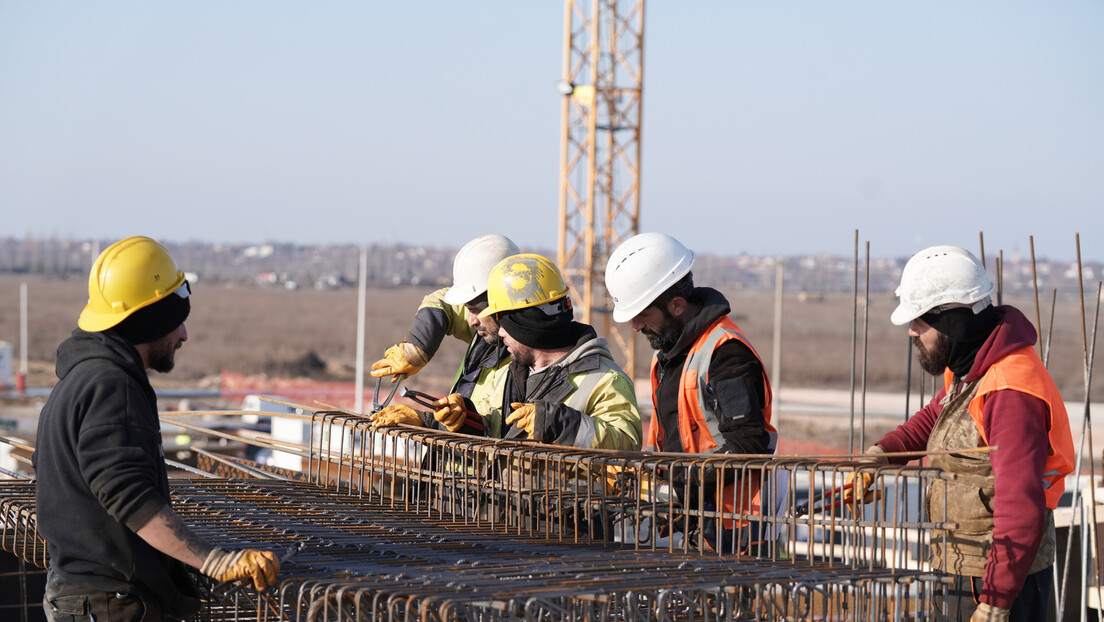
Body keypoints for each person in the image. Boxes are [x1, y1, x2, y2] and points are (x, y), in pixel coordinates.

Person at [33, 236, 280, 622]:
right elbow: (128, 495)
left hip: (81, 595)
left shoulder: (78, 380)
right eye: (175, 321)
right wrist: (213, 561)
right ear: (150, 321)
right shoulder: (113, 386)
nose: (183, 335)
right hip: (111, 604)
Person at [850, 245, 1075, 622]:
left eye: (920, 320)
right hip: (965, 563)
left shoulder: (1009, 390)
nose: (911, 331)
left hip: (995, 578)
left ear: (952, 320)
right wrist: (884, 453)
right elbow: (936, 418)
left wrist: (995, 601)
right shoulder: (974, 365)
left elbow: (1020, 503)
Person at [604, 232, 777, 554]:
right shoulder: (669, 356)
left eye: (642, 315)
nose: (636, 327)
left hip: (734, 523)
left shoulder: (725, 353)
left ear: (677, 305)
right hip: (699, 516)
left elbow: (746, 444)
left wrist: (680, 485)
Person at [478, 253, 642, 450]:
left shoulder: (605, 381)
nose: (501, 332)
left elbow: (626, 448)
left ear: (528, 324)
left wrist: (561, 425)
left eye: (505, 324)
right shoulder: (506, 374)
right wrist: (468, 424)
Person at [369, 234, 519, 432]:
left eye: (476, 309)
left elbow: (494, 441)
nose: (471, 320)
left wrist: (428, 422)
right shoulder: (490, 327)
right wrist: (418, 346)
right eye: (469, 308)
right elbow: (442, 302)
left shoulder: (531, 362)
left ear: (502, 304)